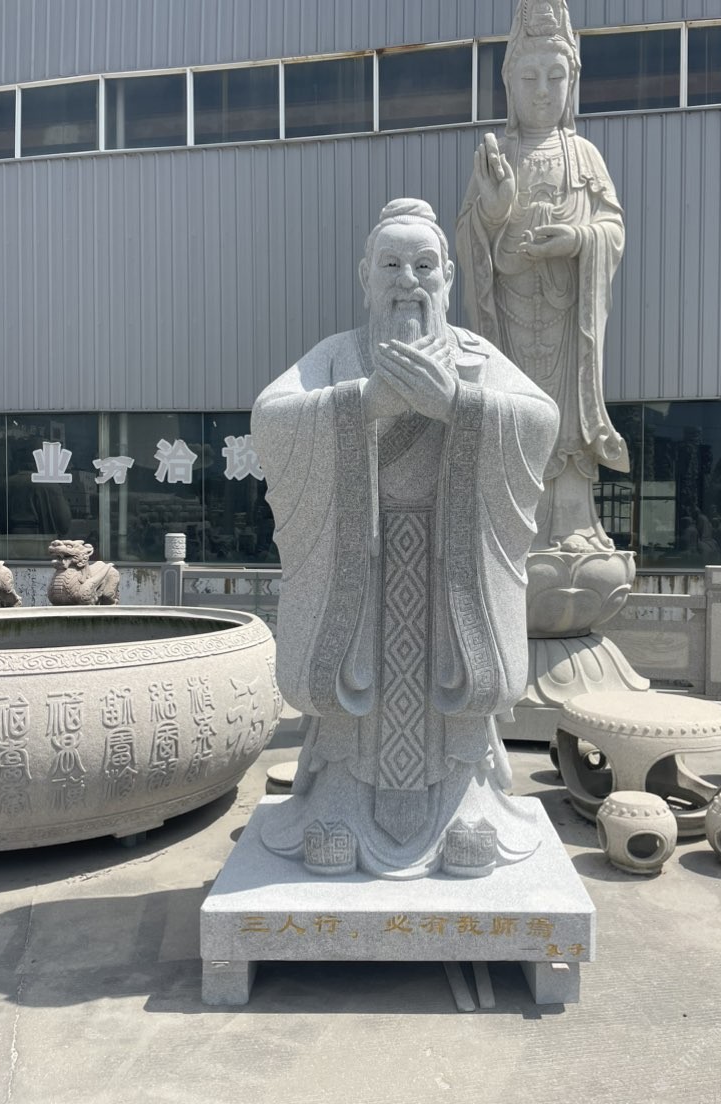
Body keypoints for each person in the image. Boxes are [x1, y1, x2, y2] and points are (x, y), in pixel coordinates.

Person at [251, 199, 558, 878]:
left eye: (424, 265)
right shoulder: (338, 356)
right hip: (359, 567)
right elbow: (271, 419)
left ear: (447, 275)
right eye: (391, 265)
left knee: (453, 706)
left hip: (451, 571)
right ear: (366, 276)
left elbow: (540, 419)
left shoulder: (476, 358)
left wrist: (459, 406)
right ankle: (338, 806)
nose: (408, 281)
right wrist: (363, 403)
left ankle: (465, 807)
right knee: (353, 703)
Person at [456, 0, 628, 553]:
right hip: (509, 323)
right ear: (509, 83)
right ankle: (512, 529)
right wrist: (494, 208)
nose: (542, 91)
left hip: (567, 320)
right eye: (529, 77)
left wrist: (578, 239)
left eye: (556, 76)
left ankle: (573, 523)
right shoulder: (497, 156)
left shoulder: (584, 155)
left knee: (568, 424)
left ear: (572, 81)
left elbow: (612, 229)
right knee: (513, 417)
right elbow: (468, 236)